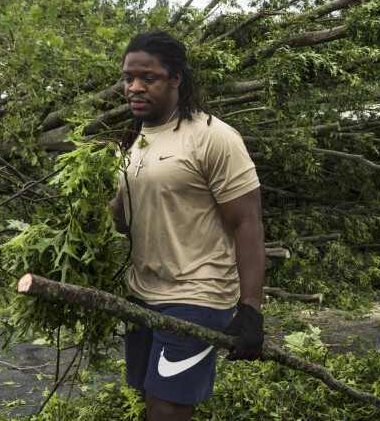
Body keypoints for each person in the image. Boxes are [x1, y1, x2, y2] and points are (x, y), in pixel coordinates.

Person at [110, 30, 265, 421]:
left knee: (167, 411)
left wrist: (250, 309)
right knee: (148, 397)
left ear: (176, 79)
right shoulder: (135, 139)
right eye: (129, 78)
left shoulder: (212, 137)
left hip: (197, 295)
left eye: (149, 78)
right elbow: (126, 220)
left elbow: (247, 222)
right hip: (143, 292)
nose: (135, 87)